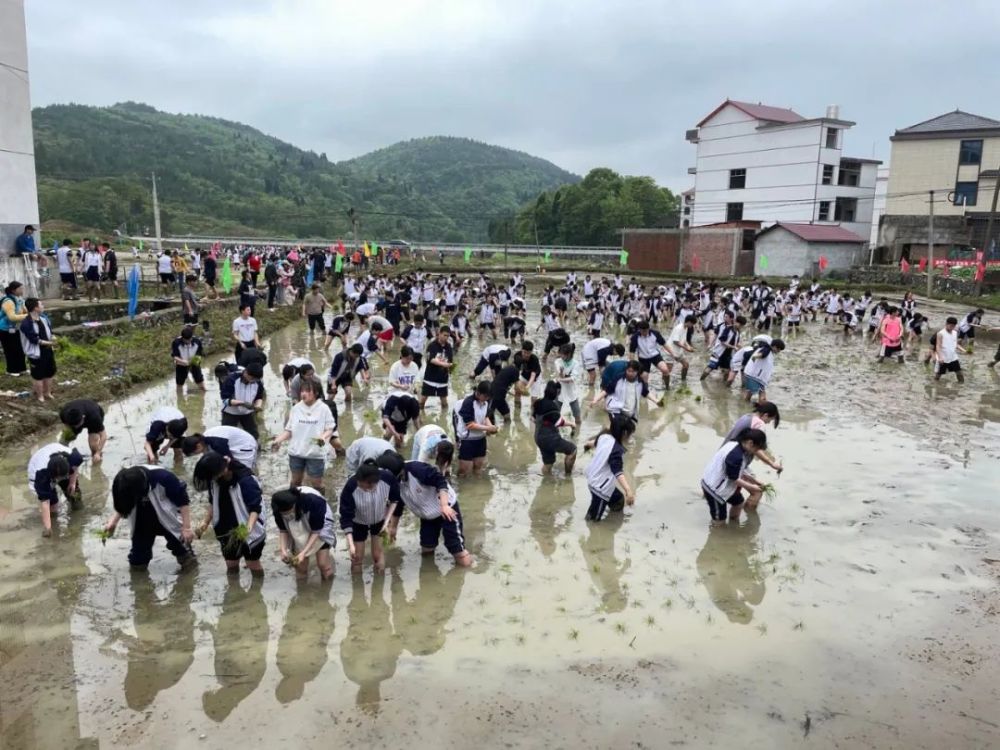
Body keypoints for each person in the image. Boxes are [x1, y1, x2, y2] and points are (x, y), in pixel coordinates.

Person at [378, 452, 472, 567]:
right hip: (426, 514)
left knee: (456, 548)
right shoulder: (393, 482)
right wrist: (393, 527)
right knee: (427, 548)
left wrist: (444, 505)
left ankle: (468, 569)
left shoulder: (418, 469)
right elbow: (398, 504)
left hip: (446, 509)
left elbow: (440, 481)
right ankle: (429, 577)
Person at [102, 465, 196, 569]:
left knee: (184, 553)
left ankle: (188, 567)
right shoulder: (124, 480)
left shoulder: (163, 477)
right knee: (137, 560)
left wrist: (186, 527)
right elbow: (125, 502)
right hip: (141, 519)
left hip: (167, 516)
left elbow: (183, 500)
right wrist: (113, 522)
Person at [193, 451, 266, 576]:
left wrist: (248, 528)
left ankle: (257, 592)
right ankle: (233, 590)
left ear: (222, 470)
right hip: (225, 528)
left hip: (247, 526)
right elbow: (213, 502)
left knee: (252, 563)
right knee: (231, 565)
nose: (212, 479)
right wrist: (205, 522)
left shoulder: (245, 480)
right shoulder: (215, 482)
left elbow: (255, 508)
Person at [270, 379, 336, 489]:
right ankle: (295, 503)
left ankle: (319, 503)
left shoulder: (323, 408)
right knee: (296, 481)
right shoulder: (296, 408)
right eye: (302, 391)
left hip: (316, 452)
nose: (303, 393)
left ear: (316, 393)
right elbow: (289, 431)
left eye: (307, 391)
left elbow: (330, 428)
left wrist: (323, 437)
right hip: (296, 452)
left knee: (317, 484)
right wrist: (278, 440)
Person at [339, 463, 402, 573]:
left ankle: (379, 586)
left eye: (366, 487)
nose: (363, 489)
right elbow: (345, 516)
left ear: (374, 483)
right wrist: (351, 544)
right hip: (358, 521)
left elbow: (395, 500)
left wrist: (386, 523)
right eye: (360, 486)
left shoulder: (387, 478)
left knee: (378, 555)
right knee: (357, 557)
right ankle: (357, 588)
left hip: (379, 520)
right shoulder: (351, 485)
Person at [700, 428, 768, 524]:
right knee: (719, 520)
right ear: (750, 443)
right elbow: (733, 478)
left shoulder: (736, 444)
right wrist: (752, 487)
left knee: (738, 502)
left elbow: (739, 469)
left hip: (720, 482)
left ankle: (734, 523)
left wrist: (755, 481)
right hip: (714, 490)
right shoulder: (735, 455)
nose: (755, 452)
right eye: (756, 449)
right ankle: (718, 534)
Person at [272, 487, 336, 581]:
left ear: (294, 505)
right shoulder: (277, 507)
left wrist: (303, 553)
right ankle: (302, 592)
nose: (286, 515)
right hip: (297, 525)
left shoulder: (314, 502)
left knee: (323, 564)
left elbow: (316, 531)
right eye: (283, 514)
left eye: (288, 512)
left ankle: (326, 590)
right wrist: (283, 550)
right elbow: (283, 530)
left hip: (318, 525)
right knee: (300, 567)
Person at [584, 414, 636, 521]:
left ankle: (614, 519)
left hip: (594, 477)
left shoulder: (604, 436)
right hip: (600, 489)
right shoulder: (616, 450)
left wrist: (587, 445)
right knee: (594, 519)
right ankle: (591, 528)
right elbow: (617, 472)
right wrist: (628, 490)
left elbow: (594, 443)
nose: (630, 438)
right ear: (624, 433)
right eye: (630, 435)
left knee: (618, 500)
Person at [28, 442, 84, 537]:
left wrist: (72, 483)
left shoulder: (73, 457)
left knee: (75, 495)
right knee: (53, 506)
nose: (60, 479)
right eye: (59, 478)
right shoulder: (40, 475)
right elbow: (45, 502)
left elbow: (74, 467)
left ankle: (77, 511)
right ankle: (53, 524)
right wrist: (48, 528)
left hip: (58, 457)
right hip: (40, 469)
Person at [452, 380, 498, 476]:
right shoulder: (468, 403)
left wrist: (491, 426)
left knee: (478, 467)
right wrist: (488, 428)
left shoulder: (485, 402)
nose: (487, 399)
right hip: (467, 440)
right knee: (464, 471)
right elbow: (470, 425)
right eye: (485, 396)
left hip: (480, 440)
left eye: (489, 397)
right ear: (478, 392)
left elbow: (485, 417)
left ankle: (478, 488)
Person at [533, 381, 577, 475]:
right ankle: (568, 476)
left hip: (538, 437)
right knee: (572, 450)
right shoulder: (553, 406)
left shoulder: (538, 402)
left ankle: (546, 481)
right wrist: (571, 424)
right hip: (549, 437)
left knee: (548, 463)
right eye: (559, 392)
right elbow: (559, 422)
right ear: (556, 392)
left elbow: (533, 418)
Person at [724, 403, 783, 473]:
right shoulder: (759, 424)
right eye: (770, 420)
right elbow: (756, 449)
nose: (768, 422)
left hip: (725, 452)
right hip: (734, 460)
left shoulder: (747, 416)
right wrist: (772, 464)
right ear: (766, 415)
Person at [19, 298, 57, 403]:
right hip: (35, 353)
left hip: (48, 350)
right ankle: (40, 396)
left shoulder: (44, 319)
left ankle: (47, 392)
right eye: (41, 305)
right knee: (38, 375)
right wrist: (50, 343)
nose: (43, 306)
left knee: (49, 372)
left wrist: (52, 337)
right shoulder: (26, 324)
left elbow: (50, 331)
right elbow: (34, 340)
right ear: (35, 308)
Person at [220, 361, 266, 439]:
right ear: (246, 373)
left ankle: (255, 448)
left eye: (256, 379)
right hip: (230, 412)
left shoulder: (258, 382)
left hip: (247, 413)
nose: (253, 381)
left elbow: (259, 397)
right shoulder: (231, 379)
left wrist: (258, 406)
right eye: (252, 379)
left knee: (253, 434)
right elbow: (225, 400)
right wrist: (243, 403)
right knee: (226, 434)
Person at [182, 425, 259, 469]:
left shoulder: (217, 443)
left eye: (193, 453)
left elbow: (230, 460)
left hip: (245, 445)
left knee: (244, 470)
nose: (195, 454)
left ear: (198, 446)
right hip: (231, 444)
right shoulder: (204, 440)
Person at [420, 325, 454, 412]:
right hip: (430, 377)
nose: (446, 337)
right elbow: (430, 359)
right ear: (439, 334)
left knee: (444, 402)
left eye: (448, 336)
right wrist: (443, 364)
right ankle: (419, 414)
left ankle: (445, 417)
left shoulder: (449, 347)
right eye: (444, 335)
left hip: (443, 378)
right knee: (423, 400)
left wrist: (450, 368)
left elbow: (450, 361)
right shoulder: (432, 345)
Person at [741, 338, 785, 403]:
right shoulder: (767, 349)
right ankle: (759, 408)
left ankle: (744, 405)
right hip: (755, 376)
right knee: (759, 396)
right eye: (779, 349)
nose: (779, 351)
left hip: (757, 377)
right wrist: (755, 357)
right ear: (775, 346)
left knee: (750, 393)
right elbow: (761, 354)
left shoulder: (768, 351)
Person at [0, 281, 29, 376]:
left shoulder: (19, 299)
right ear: (13, 290)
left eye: (22, 288)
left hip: (16, 328)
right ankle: (11, 370)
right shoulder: (8, 301)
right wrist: (28, 316)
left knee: (20, 349)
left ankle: (22, 369)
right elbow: (11, 317)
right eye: (20, 288)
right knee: (10, 349)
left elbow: (25, 310)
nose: (22, 290)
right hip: (5, 329)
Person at [554, 343, 582, 427]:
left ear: (569, 354)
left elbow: (572, 379)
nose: (560, 356)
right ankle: (555, 429)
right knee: (555, 412)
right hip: (559, 390)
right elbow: (560, 375)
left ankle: (578, 429)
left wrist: (561, 379)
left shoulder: (576, 363)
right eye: (560, 354)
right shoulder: (558, 361)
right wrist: (561, 373)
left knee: (576, 413)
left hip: (571, 390)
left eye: (562, 354)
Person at [171, 325, 206, 391]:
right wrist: (183, 361)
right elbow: (175, 356)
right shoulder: (176, 343)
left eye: (189, 340)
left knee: (199, 379)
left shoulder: (197, 342)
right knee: (179, 383)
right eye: (186, 340)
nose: (188, 342)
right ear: (182, 338)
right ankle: (179, 397)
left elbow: (199, 353)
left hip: (194, 363)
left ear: (191, 337)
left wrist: (197, 360)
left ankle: (203, 393)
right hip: (181, 364)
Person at [934, 316, 966, 383]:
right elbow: (938, 346)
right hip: (943, 358)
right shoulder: (940, 333)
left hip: (953, 357)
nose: (952, 328)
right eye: (951, 326)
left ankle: (961, 385)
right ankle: (935, 384)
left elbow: (956, 344)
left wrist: (964, 350)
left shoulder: (955, 333)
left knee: (959, 372)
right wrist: (940, 357)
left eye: (953, 326)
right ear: (946, 324)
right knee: (939, 374)